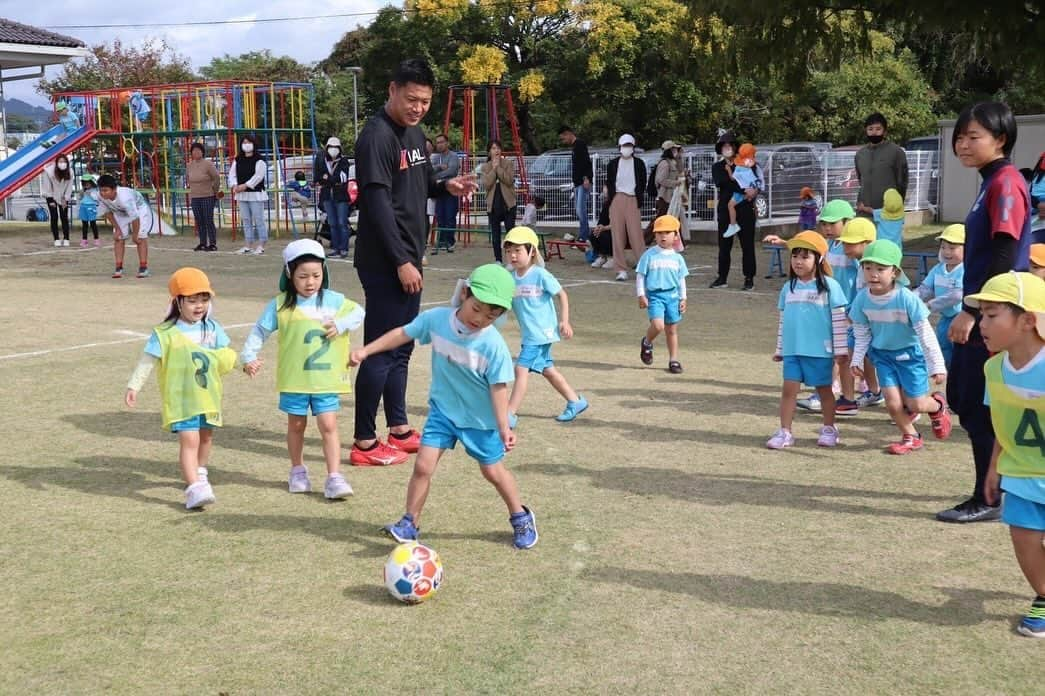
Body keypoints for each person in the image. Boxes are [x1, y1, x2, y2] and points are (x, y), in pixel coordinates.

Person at [350, 263, 539, 550]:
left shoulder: (493, 346)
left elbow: (498, 389)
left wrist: (504, 427)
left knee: (493, 472)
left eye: (492, 314)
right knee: (423, 466)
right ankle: (409, 523)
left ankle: (521, 516)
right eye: (477, 308)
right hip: (443, 412)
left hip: (480, 421)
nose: (481, 318)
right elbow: (403, 333)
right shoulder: (437, 320)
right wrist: (366, 350)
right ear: (465, 294)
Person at [351, 58, 477, 467]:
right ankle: (365, 442)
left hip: (409, 257)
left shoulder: (414, 133)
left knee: (403, 348)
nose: (418, 107)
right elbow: (377, 203)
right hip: (386, 259)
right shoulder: (376, 137)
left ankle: (399, 427)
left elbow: (417, 183)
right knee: (382, 350)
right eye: (411, 99)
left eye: (424, 101)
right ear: (392, 90)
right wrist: (403, 260)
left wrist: (445, 186)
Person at [938, 102, 1033, 524]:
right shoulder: (989, 182)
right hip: (985, 309)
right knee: (964, 395)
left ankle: (988, 496)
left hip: (994, 313)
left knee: (979, 403)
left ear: (1001, 139)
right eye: (960, 136)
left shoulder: (1006, 182)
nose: (964, 143)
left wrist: (974, 311)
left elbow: (1004, 249)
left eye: (974, 136)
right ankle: (992, 488)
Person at [240, 240, 364, 499]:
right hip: (295, 379)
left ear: (324, 272)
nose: (310, 282)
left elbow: (359, 313)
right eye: (303, 276)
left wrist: (341, 324)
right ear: (289, 274)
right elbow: (260, 330)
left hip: (325, 379)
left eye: (316, 275)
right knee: (296, 425)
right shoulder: (281, 304)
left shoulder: (335, 301)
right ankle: (297, 470)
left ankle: (334, 476)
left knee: (328, 425)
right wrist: (248, 355)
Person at [124, 268, 237, 510]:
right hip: (182, 399)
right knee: (190, 439)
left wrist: (245, 365)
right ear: (177, 302)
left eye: (204, 299)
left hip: (208, 396)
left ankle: (200, 472)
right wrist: (134, 385)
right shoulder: (165, 333)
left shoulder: (212, 328)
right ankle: (194, 488)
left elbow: (227, 355)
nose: (199, 306)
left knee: (206, 436)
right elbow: (148, 360)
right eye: (192, 300)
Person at [971, 272, 1045, 637]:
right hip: (1020, 471)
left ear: (1028, 320)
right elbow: (1002, 420)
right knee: (1025, 538)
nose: (981, 323)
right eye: (981, 315)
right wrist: (994, 466)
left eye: (991, 314)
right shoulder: (992, 368)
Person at [849, 239, 952, 455]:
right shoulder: (861, 299)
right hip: (883, 358)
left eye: (880, 268)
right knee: (893, 404)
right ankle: (911, 436)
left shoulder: (907, 299)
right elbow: (861, 332)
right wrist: (857, 359)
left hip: (910, 357)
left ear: (895, 272)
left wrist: (937, 366)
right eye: (867, 268)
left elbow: (926, 334)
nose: (873, 274)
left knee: (915, 404)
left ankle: (938, 405)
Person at [767, 231, 848, 450]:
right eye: (795, 256)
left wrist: (840, 351)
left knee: (824, 391)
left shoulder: (830, 286)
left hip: (820, 352)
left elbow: (839, 321)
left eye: (805, 257)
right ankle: (785, 431)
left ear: (818, 259)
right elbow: (784, 322)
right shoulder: (788, 288)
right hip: (793, 352)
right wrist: (780, 348)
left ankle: (829, 428)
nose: (798, 261)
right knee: (788, 391)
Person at [501, 226, 588, 422]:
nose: (512, 256)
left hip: (540, 334)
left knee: (521, 369)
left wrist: (564, 321)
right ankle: (575, 401)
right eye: (509, 251)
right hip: (530, 334)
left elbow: (562, 294)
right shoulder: (510, 278)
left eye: (517, 250)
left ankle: (509, 413)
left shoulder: (540, 275)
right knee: (547, 369)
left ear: (531, 252)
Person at [637, 215, 689, 374]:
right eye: (659, 233)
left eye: (667, 232)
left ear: (675, 235)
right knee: (658, 325)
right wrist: (641, 295)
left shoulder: (678, 258)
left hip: (673, 298)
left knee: (672, 330)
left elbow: (681, 280)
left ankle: (673, 360)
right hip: (655, 297)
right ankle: (647, 342)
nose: (663, 236)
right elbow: (640, 275)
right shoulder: (649, 255)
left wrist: (683, 297)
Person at [710, 131, 760, 290]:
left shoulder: (747, 164)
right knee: (724, 245)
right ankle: (722, 277)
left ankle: (749, 278)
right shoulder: (718, 167)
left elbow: (755, 181)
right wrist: (746, 189)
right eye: (724, 146)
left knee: (748, 245)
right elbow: (725, 183)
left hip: (745, 209)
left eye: (730, 145)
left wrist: (755, 190)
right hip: (726, 209)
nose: (727, 148)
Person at [915, 224, 965, 367]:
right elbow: (925, 288)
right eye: (943, 247)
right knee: (943, 346)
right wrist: (911, 299)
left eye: (952, 247)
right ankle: (950, 375)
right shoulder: (938, 269)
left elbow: (956, 295)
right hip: (945, 318)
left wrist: (930, 305)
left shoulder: (964, 270)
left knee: (960, 350)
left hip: (960, 318)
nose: (946, 252)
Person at [606, 133, 648, 282]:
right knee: (617, 235)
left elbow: (643, 182)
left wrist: (638, 196)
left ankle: (643, 267)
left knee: (636, 234)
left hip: (633, 199)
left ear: (633, 147)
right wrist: (611, 199)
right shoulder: (612, 164)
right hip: (617, 198)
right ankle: (620, 269)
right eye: (624, 145)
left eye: (629, 145)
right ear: (619, 147)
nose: (627, 148)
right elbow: (609, 182)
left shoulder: (639, 163)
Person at [96, 173, 153, 279]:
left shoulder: (125, 198)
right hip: (119, 212)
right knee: (118, 238)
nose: (103, 193)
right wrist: (117, 229)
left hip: (138, 209)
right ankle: (118, 268)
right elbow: (107, 212)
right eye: (101, 190)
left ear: (114, 189)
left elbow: (135, 218)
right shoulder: (100, 196)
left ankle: (143, 268)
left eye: (106, 190)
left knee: (140, 237)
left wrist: (135, 235)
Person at [855, 112, 909, 219]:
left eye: (878, 129)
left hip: (888, 213)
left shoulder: (896, 152)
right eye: (870, 129)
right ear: (866, 131)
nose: (874, 132)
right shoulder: (860, 154)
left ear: (885, 131)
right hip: (864, 211)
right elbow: (861, 181)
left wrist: (895, 207)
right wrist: (860, 202)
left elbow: (902, 182)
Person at [228, 134, 268, 255]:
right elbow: (232, 174)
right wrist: (235, 185)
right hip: (242, 194)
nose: (246, 145)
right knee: (246, 219)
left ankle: (261, 244)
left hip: (255, 193)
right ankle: (248, 245)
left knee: (258, 219)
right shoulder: (238, 159)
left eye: (248, 142)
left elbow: (258, 176)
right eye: (244, 142)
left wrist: (245, 185)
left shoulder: (259, 160)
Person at [315, 136, 353, 258]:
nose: (333, 149)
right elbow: (318, 178)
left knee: (342, 223)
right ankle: (335, 248)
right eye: (331, 147)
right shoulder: (321, 160)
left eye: (336, 147)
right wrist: (327, 180)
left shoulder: (343, 161)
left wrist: (328, 179)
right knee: (332, 223)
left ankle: (344, 249)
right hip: (327, 196)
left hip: (341, 196)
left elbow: (342, 178)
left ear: (340, 148)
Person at [481, 139, 516, 264]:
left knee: (511, 233)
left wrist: (498, 168)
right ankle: (498, 259)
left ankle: (512, 259)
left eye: (498, 148)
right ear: (489, 152)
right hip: (493, 204)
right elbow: (486, 184)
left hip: (508, 203)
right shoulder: (485, 166)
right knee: (495, 235)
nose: (496, 150)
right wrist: (493, 169)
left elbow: (509, 180)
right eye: (493, 148)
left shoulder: (508, 163)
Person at [558, 125, 593, 243]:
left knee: (580, 209)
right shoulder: (574, 147)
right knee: (578, 209)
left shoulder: (580, 144)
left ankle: (585, 235)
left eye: (563, 138)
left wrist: (586, 178)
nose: (564, 141)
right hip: (577, 183)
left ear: (568, 133)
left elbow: (586, 162)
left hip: (583, 182)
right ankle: (583, 234)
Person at [186, 142, 221, 252]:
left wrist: (214, 191)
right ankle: (202, 243)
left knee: (208, 220)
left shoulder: (208, 164)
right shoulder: (189, 165)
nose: (196, 152)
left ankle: (212, 243)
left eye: (198, 150)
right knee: (199, 220)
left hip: (208, 196)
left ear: (202, 152)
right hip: (195, 197)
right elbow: (188, 179)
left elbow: (216, 177)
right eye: (194, 150)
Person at [431, 133, 461, 253]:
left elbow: (452, 171)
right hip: (439, 189)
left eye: (442, 142)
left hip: (451, 190)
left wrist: (439, 173)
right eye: (437, 143)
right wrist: (440, 167)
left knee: (450, 216)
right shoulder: (436, 158)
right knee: (440, 216)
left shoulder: (453, 156)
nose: (439, 145)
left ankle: (450, 241)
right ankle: (442, 241)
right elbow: (431, 171)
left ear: (447, 143)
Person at [724, 144, 762, 239]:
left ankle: (733, 225)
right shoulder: (753, 167)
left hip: (741, 192)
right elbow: (759, 181)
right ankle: (757, 222)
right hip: (751, 190)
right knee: (753, 204)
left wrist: (728, 169)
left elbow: (733, 178)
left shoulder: (739, 167)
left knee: (730, 205)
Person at [40, 154, 73, 247]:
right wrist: (50, 200)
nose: (62, 163)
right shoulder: (49, 171)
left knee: (64, 217)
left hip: (63, 197)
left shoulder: (70, 172)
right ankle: (56, 239)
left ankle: (66, 238)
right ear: (56, 163)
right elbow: (47, 187)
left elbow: (69, 187)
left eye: (64, 161)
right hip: (52, 196)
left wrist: (66, 199)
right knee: (54, 217)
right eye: (60, 162)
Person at [589, 185, 614, 269]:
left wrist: (604, 228)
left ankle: (612, 258)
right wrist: (598, 228)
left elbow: (617, 224)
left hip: (616, 231)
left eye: (605, 187)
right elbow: (601, 222)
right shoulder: (606, 204)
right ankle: (602, 257)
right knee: (593, 233)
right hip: (606, 229)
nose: (604, 190)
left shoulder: (616, 204)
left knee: (605, 235)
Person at [78, 173, 100, 248]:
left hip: (91, 207)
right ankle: (84, 240)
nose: (86, 184)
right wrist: (81, 195)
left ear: (91, 183)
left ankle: (96, 239)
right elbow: (79, 199)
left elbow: (97, 199)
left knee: (93, 224)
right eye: (84, 183)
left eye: (88, 183)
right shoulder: (82, 190)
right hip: (83, 207)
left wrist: (90, 194)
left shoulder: (95, 190)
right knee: (84, 225)